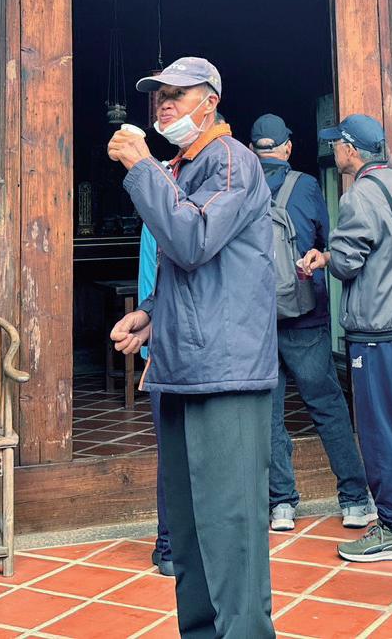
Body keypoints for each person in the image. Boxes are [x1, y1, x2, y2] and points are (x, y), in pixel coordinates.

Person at [107, 57, 277, 638]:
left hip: (226, 371)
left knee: (230, 528)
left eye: (176, 95)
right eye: (158, 96)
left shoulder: (230, 160)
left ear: (210, 101)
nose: (164, 105)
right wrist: (152, 317)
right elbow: (195, 273)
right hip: (184, 367)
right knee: (188, 530)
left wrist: (142, 167)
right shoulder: (186, 167)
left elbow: (193, 238)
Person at [302, 114, 392, 564]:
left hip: (375, 328)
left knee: (378, 431)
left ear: (351, 149)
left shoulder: (359, 194)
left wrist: (328, 257)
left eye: (336, 144)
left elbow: (348, 264)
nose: (333, 151)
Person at [249, 113, 375, 533]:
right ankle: (354, 499)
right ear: (287, 148)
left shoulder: (239, 187)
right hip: (305, 312)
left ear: (251, 149)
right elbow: (325, 240)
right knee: (327, 406)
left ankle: (282, 504)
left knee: (269, 411)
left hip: (256, 319)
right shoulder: (304, 186)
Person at [138, 222, 174, 577]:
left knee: (173, 451)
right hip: (211, 355)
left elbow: (149, 282)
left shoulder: (157, 219)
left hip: (165, 346)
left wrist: (149, 345)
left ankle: (169, 548)